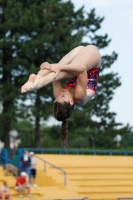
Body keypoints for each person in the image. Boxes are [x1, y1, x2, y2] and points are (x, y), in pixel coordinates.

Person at [21, 45, 101, 146]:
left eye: (57, 98)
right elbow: (82, 70)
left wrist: (45, 66)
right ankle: (39, 82)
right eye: (62, 97)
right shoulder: (80, 97)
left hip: (79, 52)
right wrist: (57, 67)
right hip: (92, 57)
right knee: (67, 71)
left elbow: (54, 73)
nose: (60, 94)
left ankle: (38, 77)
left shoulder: (58, 95)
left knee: (59, 68)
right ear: (71, 102)